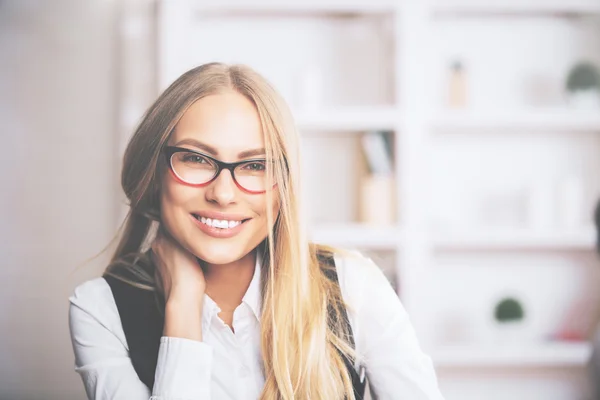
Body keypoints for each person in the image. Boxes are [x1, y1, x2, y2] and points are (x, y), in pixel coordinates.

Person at [68, 62, 445, 400]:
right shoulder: (100, 309)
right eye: (196, 159)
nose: (223, 194)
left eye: (254, 166)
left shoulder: (354, 286)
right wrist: (182, 304)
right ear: (154, 170)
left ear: (285, 185)